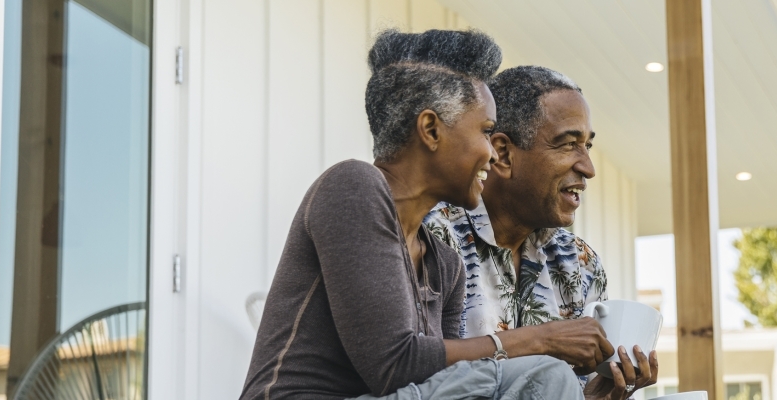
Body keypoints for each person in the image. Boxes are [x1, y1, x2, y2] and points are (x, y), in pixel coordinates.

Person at [238, 30, 613, 400]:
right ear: (431, 130)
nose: (490, 152)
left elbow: (449, 385)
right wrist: (540, 341)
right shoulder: (352, 187)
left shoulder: (444, 264)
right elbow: (394, 365)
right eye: (485, 131)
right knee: (543, 373)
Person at [424, 65, 659, 400]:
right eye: (567, 145)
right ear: (502, 154)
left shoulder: (580, 263)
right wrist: (541, 341)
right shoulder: (433, 236)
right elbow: (414, 373)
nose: (587, 168)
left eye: (587, 146)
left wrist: (596, 395)